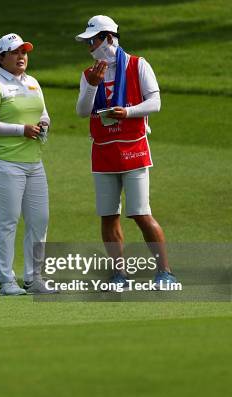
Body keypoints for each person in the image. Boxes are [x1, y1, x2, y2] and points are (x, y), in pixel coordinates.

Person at [75, 15, 177, 285]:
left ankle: (165, 272)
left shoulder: (138, 64)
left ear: (109, 38)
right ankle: (118, 273)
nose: (90, 47)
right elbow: (82, 111)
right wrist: (93, 87)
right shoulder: (89, 74)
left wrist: (128, 112)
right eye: (87, 43)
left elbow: (155, 102)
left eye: (93, 41)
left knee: (141, 213)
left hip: (134, 150)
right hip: (103, 153)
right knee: (108, 216)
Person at [0, 33, 54, 295]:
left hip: (33, 163)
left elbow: (43, 114)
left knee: (39, 220)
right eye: (15, 52)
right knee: (8, 221)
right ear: (2, 57)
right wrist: (21, 130)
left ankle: (34, 278)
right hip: (4, 164)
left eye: (24, 52)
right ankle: (6, 281)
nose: (22, 57)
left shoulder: (33, 83)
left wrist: (44, 124)